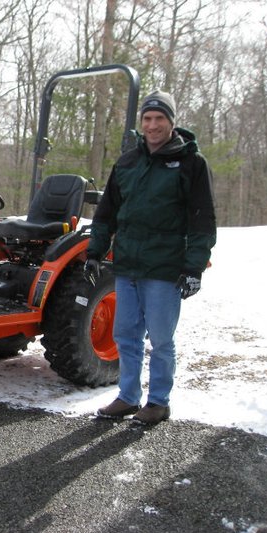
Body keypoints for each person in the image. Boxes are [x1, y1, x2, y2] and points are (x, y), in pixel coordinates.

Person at [84, 90, 217, 425]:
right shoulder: (128, 162)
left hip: (165, 267)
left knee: (160, 340)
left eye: (159, 118)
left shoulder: (191, 163)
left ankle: (158, 401)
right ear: (141, 123)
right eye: (147, 118)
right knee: (125, 336)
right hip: (127, 264)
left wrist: (194, 267)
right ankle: (128, 396)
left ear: (171, 122)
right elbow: (106, 213)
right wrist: (95, 251)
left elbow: (202, 219)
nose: (153, 125)